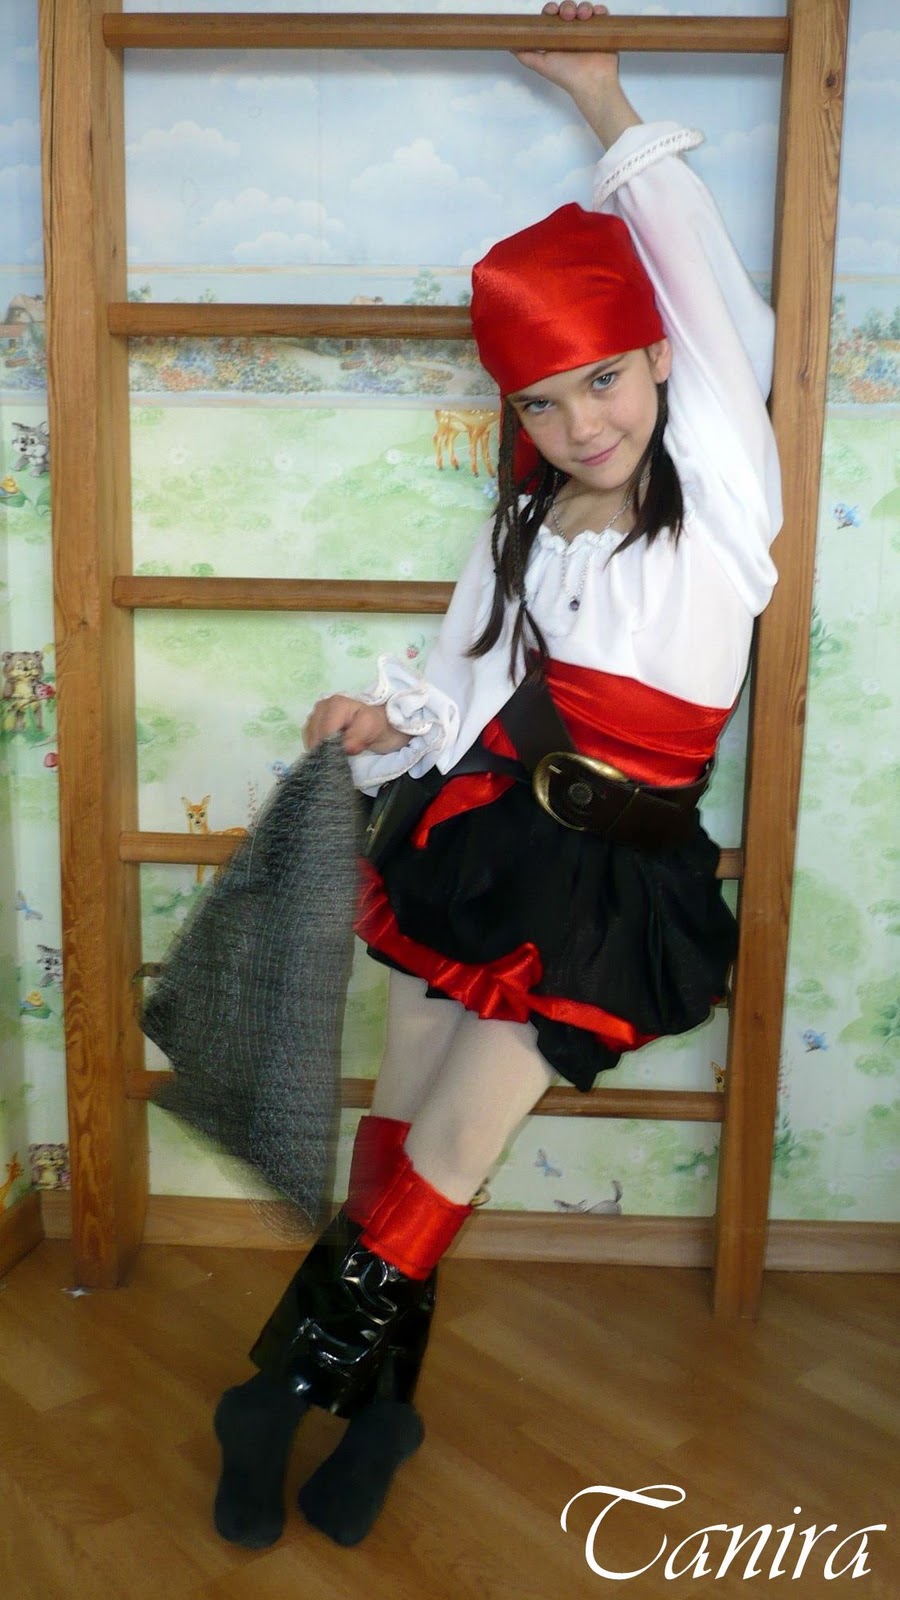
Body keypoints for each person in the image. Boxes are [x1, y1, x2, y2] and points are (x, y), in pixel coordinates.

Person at [213, 0, 781, 1552]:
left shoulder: (724, 491)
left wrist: (602, 97)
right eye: (541, 399)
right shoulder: (526, 522)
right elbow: (467, 684)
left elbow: (706, 283)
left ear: (655, 360)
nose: (580, 422)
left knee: (454, 1154)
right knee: (401, 1134)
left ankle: (268, 1396)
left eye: (603, 381)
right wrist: (378, 719)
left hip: (610, 880)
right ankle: (379, 1419)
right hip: (478, 840)